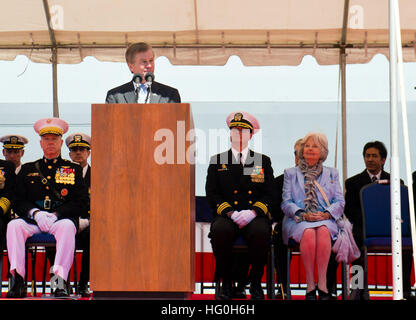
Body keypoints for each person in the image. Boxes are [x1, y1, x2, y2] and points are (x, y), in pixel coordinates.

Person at [6, 118, 89, 298]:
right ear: (41, 143)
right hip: (34, 220)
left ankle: (59, 283)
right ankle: (17, 281)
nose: (50, 143)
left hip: (59, 220)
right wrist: (35, 213)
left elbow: (81, 201)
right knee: (13, 226)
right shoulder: (28, 169)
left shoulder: (72, 169)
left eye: (54, 139)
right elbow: (17, 199)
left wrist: (57, 214)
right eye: (47, 139)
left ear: (60, 142)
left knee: (68, 227)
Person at [206, 111, 274, 300]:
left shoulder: (262, 160)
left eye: (243, 131)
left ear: (251, 135)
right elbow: (212, 193)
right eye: (235, 131)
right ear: (230, 135)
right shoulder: (218, 161)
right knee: (220, 230)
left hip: (253, 215)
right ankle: (227, 283)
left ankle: (254, 283)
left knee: (262, 232)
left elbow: (270, 193)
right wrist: (230, 213)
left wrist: (253, 212)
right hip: (228, 216)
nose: (239, 134)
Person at [344, 141, 412, 300]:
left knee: (405, 244)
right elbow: (349, 210)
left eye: (374, 156)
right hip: (363, 227)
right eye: (367, 156)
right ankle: (357, 288)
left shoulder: (396, 182)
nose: (370, 159)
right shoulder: (353, 183)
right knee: (355, 241)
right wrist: (369, 221)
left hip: (390, 228)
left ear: (383, 160)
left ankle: (405, 289)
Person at [281, 132, 344, 300]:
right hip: (299, 220)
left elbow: (339, 201)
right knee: (308, 232)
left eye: (315, 146)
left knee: (323, 231)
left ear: (322, 151)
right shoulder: (290, 173)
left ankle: (322, 283)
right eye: (307, 145)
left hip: (325, 219)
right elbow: (286, 203)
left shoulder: (332, 173)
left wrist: (325, 214)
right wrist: (303, 214)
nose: (310, 149)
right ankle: (310, 284)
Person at [272, 138, 302, 298]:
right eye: (298, 154)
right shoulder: (281, 181)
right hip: (289, 225)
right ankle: (283, 287)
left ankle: (326, 288)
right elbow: (276, 209)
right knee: (279, 233)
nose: (301, 158)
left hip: (316, 224)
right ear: (295, 157)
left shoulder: (323, 178)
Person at [106, 42, 181, 104]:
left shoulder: (170, 94)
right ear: (131, 66)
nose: (149, 65)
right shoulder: (115, 96)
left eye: (151, 60)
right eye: (144, 62)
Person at [66, 133, 91, 297]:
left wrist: (87, 221)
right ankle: (60, 284)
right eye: (74, 149)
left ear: (88, 152)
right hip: (67, 222)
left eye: (82, 149)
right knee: (53, 240)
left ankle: (83, 284)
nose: (78, 153)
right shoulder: (62, 175)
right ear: (69, 154)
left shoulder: (99, 175)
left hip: (89, 223)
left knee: (94, 239)